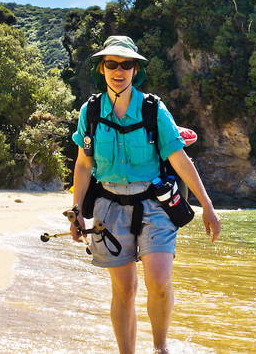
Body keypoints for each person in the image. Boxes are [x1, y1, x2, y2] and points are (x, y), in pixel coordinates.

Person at [70, 35, 221, 354]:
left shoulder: (154, 109)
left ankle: (160, 348)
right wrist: (76, 210)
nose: (119, 70)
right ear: (102, 68)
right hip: (108, 209)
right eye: (112, 63)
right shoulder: (91, 112)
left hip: (155, 205)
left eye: (127, 64)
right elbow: (84, 164)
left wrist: (207, 206)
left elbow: (180, 160)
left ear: (135, 70)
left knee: (159, 283)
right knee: (124, 290)